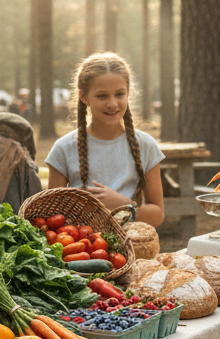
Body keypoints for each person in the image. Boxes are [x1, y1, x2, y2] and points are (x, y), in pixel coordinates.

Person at [45, 53, 165, 227]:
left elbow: (158, 215)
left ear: (128, 93)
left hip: (131, 246)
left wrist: (125, 206)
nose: (112, 103)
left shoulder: (146, 145)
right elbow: (52, 216)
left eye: (119, 94)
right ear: (84, 97)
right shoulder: (63, 148)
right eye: (102, 96)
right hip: (82, 249)